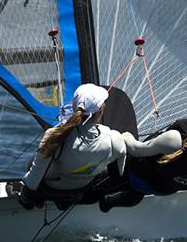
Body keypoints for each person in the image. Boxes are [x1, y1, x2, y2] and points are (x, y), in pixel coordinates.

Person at [17, 83, 174, 210]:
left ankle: (33, 202)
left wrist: (26, 197)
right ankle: (65, 203)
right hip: (81, 190)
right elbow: (117, 175)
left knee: (33, 162)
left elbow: (33, 178)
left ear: (73, 106)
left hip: (51, 189)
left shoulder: (55, 135)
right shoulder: (115, 140)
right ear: (101, 111)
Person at [98, 89, 187, 212]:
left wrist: (125, 136)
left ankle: (93, 192)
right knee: (137, 192)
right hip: (165, 188)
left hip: (138, 175)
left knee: (114, 175)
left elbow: (136, 151)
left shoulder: (179, 133)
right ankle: (109, 202)